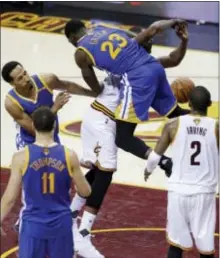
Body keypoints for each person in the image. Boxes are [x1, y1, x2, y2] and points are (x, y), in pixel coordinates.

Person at [70, 24, 189, 258]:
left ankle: (71, 215)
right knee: (105, 169)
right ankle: (82, 232)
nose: (149, 45)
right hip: (101, 120)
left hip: (105, 119)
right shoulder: (133, 64)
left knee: (99, 170)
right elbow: (161, 49)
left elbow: (170, 59)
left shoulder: (138, 62)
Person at [64, 18, 189, 176]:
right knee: (176, 113)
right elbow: (146, 31)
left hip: (136, 79)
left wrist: (99, 89)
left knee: (122, 137)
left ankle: (163, 160)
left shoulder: (80, 53)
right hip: (154, 68)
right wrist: (173, 21)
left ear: (72, 38)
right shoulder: (101, 28)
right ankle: (213, 124)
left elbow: (94, 85)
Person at [0, 106, 91, 258]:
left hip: (33, 225)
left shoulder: (21, 157)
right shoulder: (69, 155)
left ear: (33, 125)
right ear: (54, 125)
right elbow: (85, 191)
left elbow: (10, 198)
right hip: (61, 224)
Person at [144, 86, 218, 258]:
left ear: (189, 103)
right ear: (209, 104)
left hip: (178, 192)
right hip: (204, 193)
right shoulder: (217, 127)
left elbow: (155, 156)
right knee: (206, 246)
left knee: (176, 245)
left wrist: (148, 170)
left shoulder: (173, 124)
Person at [2, 61, 97, 150]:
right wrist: (55, 108)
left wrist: (94, 93)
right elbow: (34, 130)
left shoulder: (46, 80)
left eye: (25, 73)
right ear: (12, 83)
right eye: (20, 78)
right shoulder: (11, 103)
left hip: (51, 136)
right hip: (30, 142)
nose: (26, 78)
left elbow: (68, 86)